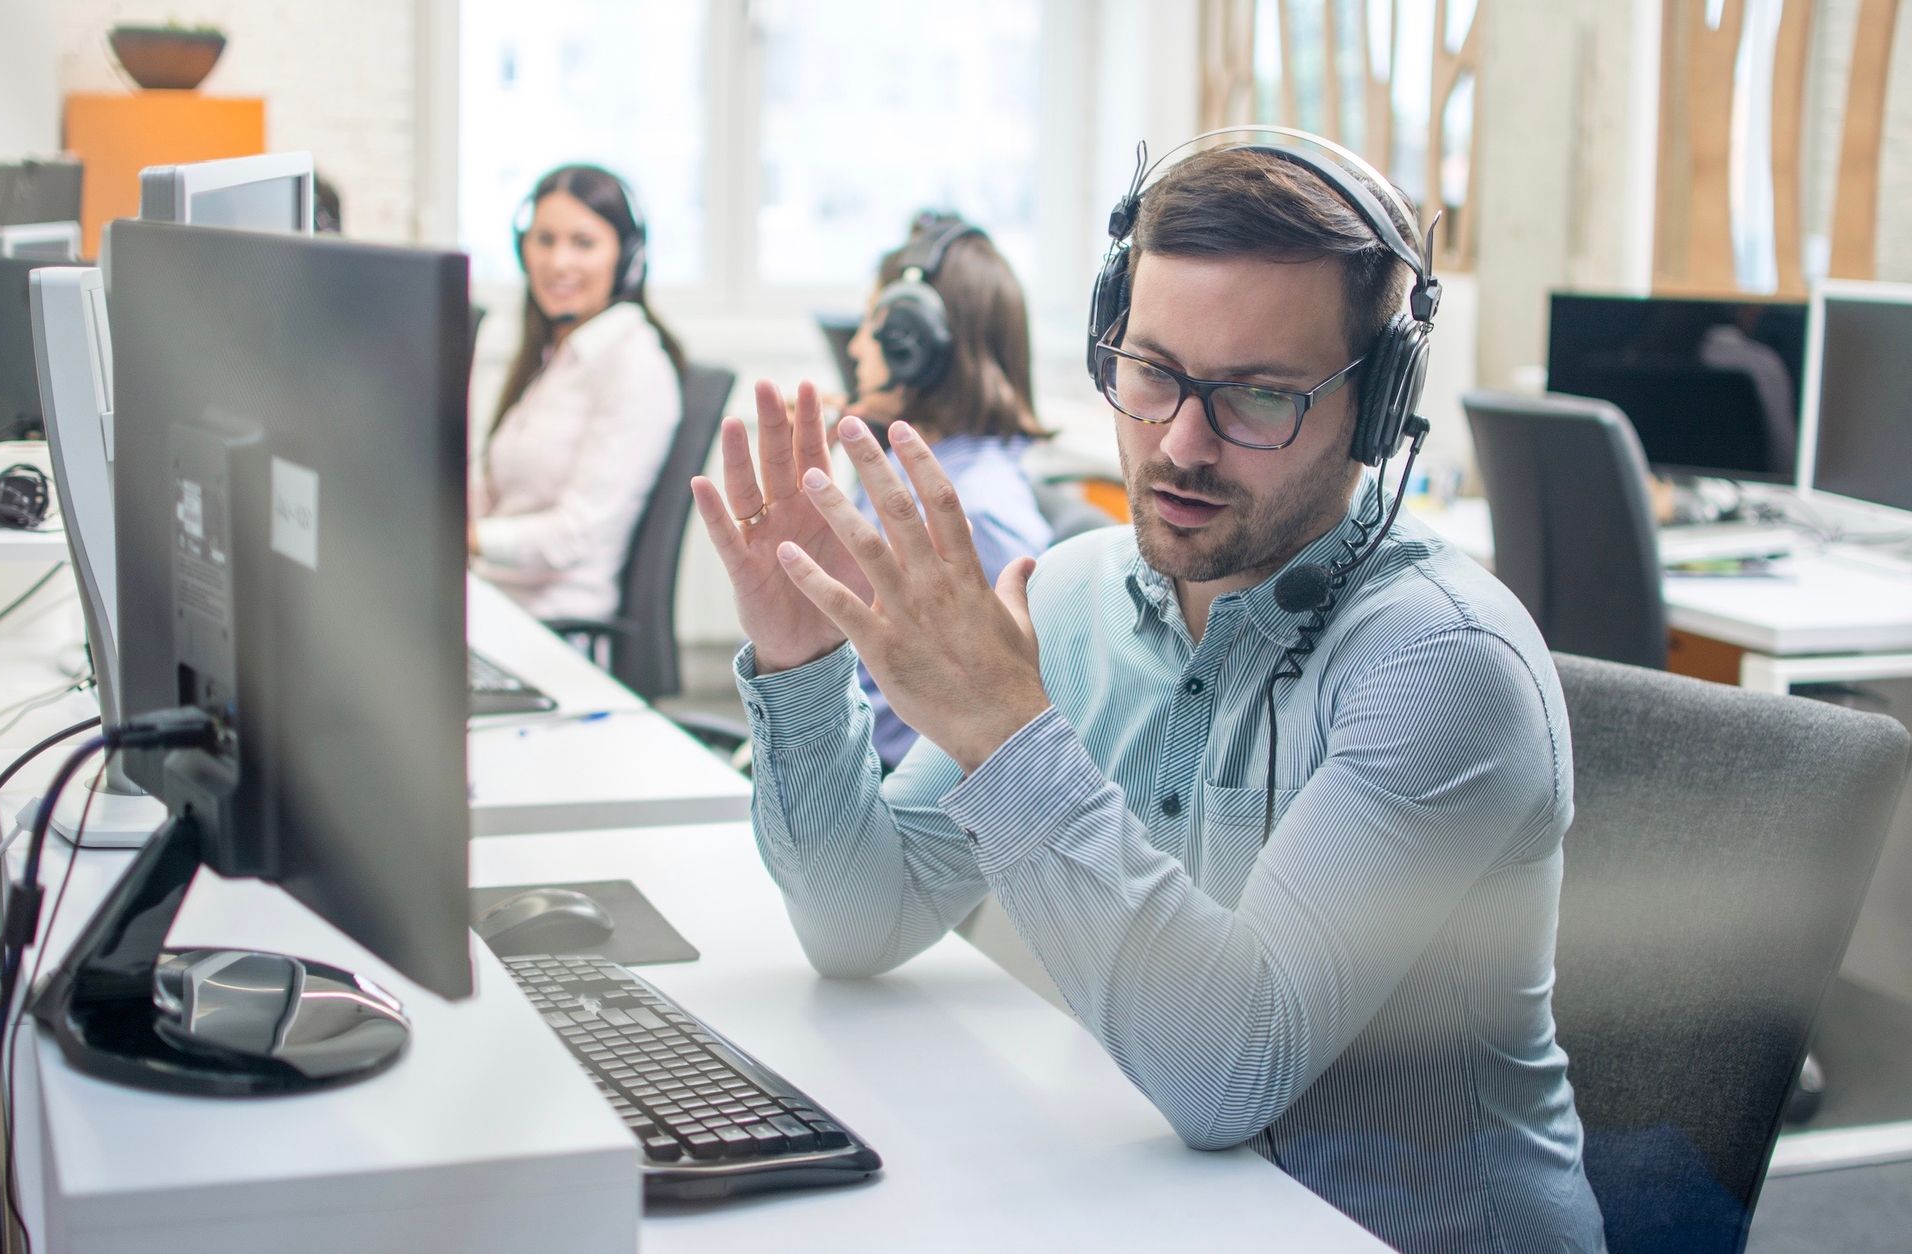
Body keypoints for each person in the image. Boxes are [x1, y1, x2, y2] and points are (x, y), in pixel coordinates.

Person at [690, 133, 1605, 1253]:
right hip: (1177, 1215)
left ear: (1376, 410)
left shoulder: (1442, 667)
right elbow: (857, 921)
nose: (1180, 444)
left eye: (1259, 396)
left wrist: (1003, 730)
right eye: (1152, 371)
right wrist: (799, 659)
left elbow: (1228, 1074)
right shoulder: (1079, 595)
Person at [838, 213, 1053, 767]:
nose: (857, 348)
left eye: (871, 326)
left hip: (906, 794)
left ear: (917, 343)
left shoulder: (976, 513)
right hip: (856, 754)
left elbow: (1010, 733)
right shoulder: (907, 469)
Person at [470, 164, 685, 620]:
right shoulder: (554, 355)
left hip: (552, 623)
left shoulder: (635, 365)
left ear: (625, 258)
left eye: (583, 243)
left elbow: (575, 534)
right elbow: (497, 491)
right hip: (492, 602)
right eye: (544, 240)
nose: (558, 262)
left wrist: (469, 537)